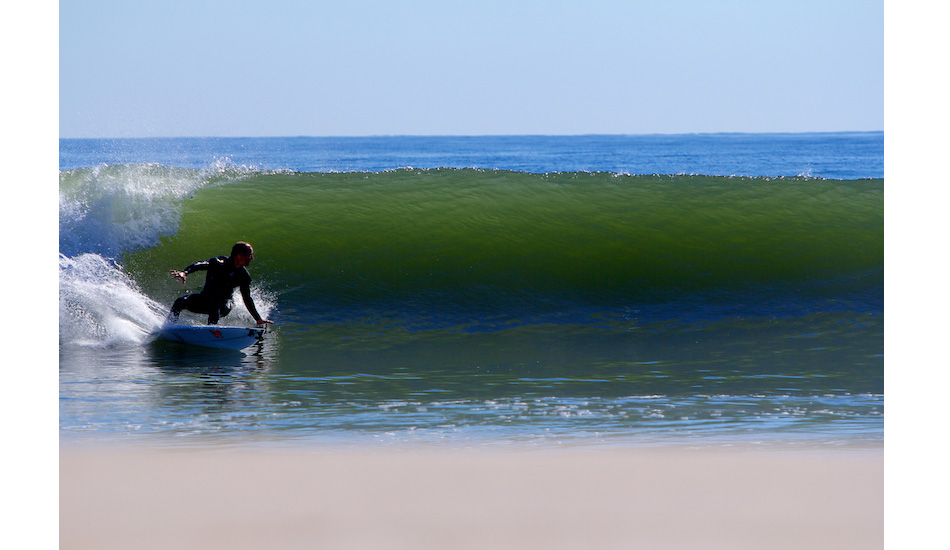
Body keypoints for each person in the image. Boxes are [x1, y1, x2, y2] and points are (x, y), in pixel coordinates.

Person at [168, 241, 272, 326]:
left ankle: (211, 330)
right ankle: (170, 326)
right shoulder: (219, 263)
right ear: (240, 255)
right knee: (180, 301)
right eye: (250, 255)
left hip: (225, 305)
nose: (252, 258)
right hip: (205, 300)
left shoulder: (243, 276)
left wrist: (258, 319)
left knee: (215, 301)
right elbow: (199, 265)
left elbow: (247, 298)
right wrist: (185, 272)